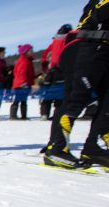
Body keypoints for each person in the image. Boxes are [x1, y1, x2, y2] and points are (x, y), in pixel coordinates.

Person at [44, 1, 109, 169]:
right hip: (91, 46)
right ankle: (56, 149)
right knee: (78, 98)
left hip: (104, 50)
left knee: (106, 103)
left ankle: (92, 148)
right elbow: (100, 13)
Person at [40, 24, 73, 121]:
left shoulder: (54, 44)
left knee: (49, 95)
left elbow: (44, 58)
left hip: (53, 70)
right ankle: (58, 113)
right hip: (64, 69)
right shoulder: (70, 40)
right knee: (61, 95)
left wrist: (45, 69)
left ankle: (45, 114)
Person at [10, 44, 35, 120]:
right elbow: (21, 73)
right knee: (18, 100)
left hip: (23, 83)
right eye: (30, 51)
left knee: (23, 100)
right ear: (25, 52)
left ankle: (23, 116)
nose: (32, 52)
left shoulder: (28, 61)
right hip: (21, 84)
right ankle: (13, 115)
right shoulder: (23, 61)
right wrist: (23, 83)